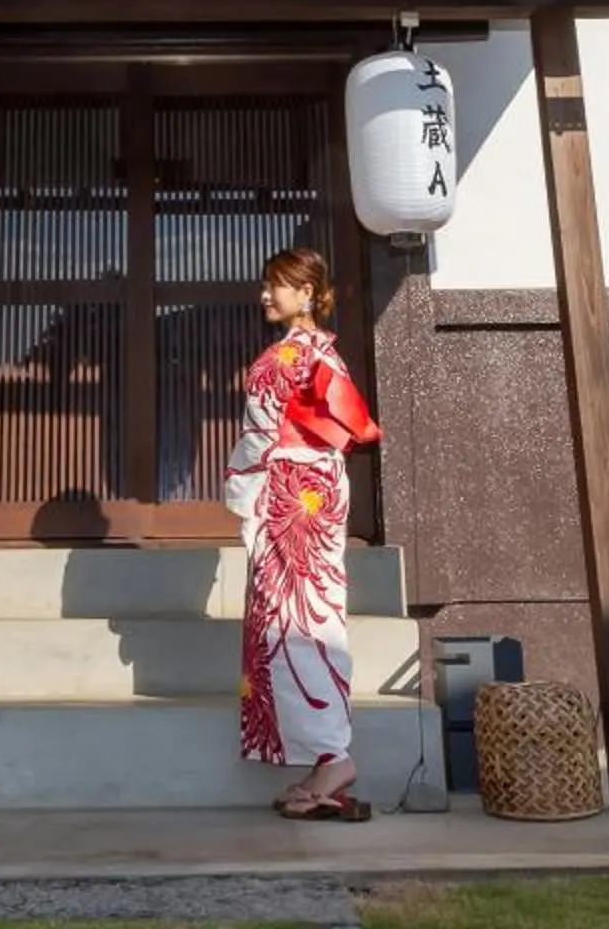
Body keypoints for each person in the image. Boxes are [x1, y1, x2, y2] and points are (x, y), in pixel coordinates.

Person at [226, 245, 382, 821]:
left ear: (307, 292)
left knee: (290, 619)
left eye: (277, 285)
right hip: (320, 487)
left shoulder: (284, 358)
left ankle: (333, 758)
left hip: (291, 488)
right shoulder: (325, 354)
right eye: (266, 284)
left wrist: (242, 491)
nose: (265, 295)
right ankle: (328, 756)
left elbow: (260, 437)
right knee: (314, 613)